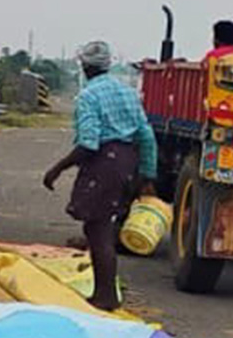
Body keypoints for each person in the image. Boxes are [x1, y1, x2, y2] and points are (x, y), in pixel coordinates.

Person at [43, 41, 157, 311]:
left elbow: (89, 143)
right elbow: (146, 136)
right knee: (103, 225)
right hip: (128, 161)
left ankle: (105, 295)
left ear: (84, 66)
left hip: (104, 163)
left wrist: (57, 168)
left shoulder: (88, 96)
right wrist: (147, 174)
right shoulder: (127, 92)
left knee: (98, 229)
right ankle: (105, 292)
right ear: (107, 64)